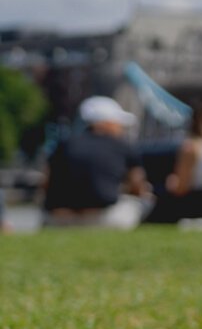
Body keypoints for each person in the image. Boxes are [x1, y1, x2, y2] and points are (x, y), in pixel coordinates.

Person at [39, 96, 151, 230]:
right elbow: (138, 187)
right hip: (106, 220)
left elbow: (46, 183)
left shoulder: (64, 144)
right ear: (107, 123)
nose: (121, 128)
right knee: (146, 198)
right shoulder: (122, 145)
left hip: (60, 219)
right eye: (118, 123)